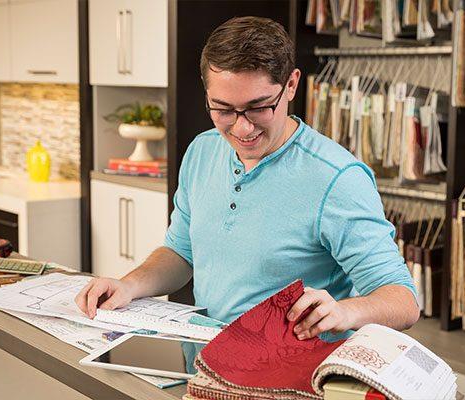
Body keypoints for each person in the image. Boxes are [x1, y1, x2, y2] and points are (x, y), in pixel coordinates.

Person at [76, 16, 419, 341]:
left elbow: (403, 301)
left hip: (288, 380)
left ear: (291, 85)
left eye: (258, 107)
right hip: (203, 368)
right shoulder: (202, 151)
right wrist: (129, 286)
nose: (242, 128)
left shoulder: (338, 178)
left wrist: (346, 312)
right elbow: (181, 253)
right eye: (223, 109)